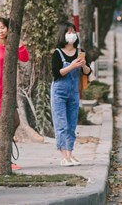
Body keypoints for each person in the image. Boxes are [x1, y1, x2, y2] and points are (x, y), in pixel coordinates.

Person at [0, 17, 29, 170]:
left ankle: (0, 159)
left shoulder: (11, 46)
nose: (0, 31)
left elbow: (25, 57)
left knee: (14, 121)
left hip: (7, 91)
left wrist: (18, 41)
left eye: (3, 27)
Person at [51, 22, 92, 167]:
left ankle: (70, 153)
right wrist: (71, 66)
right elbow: (56, 73)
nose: (71, 34)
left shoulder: (80, 51)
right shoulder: (57, 53)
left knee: (71, 125)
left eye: (73, 31)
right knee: (61, 124)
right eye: (68, 32)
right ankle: (64, 156)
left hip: (74, 92)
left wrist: (83, 65)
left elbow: (88, 72)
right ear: (63, 34)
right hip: (59, 92)